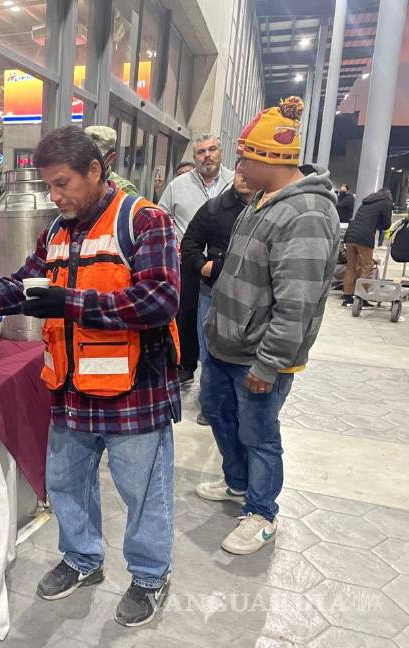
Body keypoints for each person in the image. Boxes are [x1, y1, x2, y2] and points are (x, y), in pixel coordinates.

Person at [0, 126, 181, 627]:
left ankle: (150, 575)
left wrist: (70, 302)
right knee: (67, 484)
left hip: (133, 391)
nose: (56, 196)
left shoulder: (144, 220)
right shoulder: (56, 232)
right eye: (49, 186)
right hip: (70, 390)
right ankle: (81, 559)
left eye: (63, 183)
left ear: (96, 170)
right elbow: (18, 288)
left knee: (143, 491)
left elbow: (160, 301)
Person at [199, 97, 340, 555]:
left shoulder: (306, 214)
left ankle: (262, 512)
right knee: (221, 417)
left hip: (258, 356)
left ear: (267, 159)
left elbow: (296, 303)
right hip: (225, 346)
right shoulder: (262, 201)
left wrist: (270, 363)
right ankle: (238, 485)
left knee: (258, 434)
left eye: (244, 157)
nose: (237, 166)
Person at [181, 165, 254, 426]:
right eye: (239, 172)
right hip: (212, 291)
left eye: (249, 171)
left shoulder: (268, 210)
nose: (244, 177)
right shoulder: (215, 208)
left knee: (245, 351)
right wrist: (205, 266)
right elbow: (188, 243)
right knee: (210, 349)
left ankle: (238, 405)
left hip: (253, 298)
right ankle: (210, 404)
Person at [159, 135, 234, 386]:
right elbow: (161, 215)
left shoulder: (236, 182)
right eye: (201, 152)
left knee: (222, 318)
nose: (207, 155)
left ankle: (217, 373)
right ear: (195, 157)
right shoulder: (178, 185)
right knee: (186, 314)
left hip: (226, 265)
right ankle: (186, 365)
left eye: (212, 149)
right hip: (187, 263)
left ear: (221, 152)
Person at [342, 188, 394, 306]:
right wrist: (377, 225)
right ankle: (361, 298)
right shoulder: (386, 202)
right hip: (364, 236)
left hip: (350, 234)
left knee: (351, 267)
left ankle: (347, 297)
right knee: (367, 266)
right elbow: (386, 224)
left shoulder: (367, 201)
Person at [83, 125, 138, 195]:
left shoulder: (124, 190)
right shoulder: (71, 181)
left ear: (111, 158)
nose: (88, 161)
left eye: (96, 157)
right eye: (84, 155)